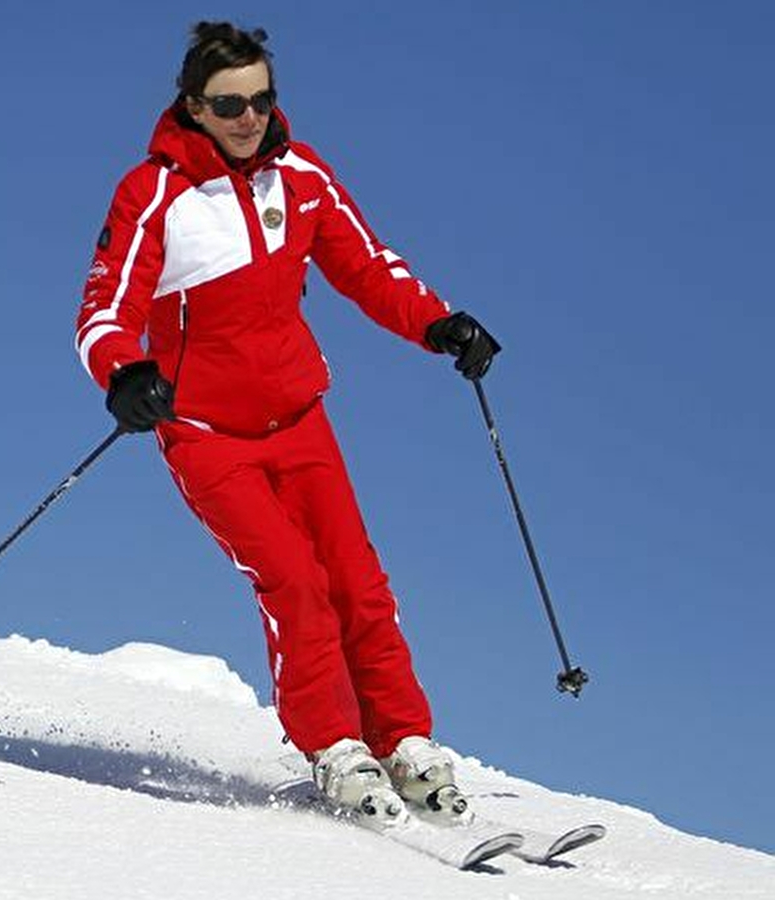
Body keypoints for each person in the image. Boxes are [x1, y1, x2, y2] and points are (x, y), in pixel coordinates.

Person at [74, 22, 501, 821]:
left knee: (359, 582)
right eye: (229, 104)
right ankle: (335, 749)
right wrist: (124, 373)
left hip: (300, 418)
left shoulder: (301, 177)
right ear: (193, 107)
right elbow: (102, 312)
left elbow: (369, 268)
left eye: (262, 100)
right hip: (205, 433)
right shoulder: (153, 194)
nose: (248, 118)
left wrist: (439, 324)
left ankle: (404, 742)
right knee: (296, 583)